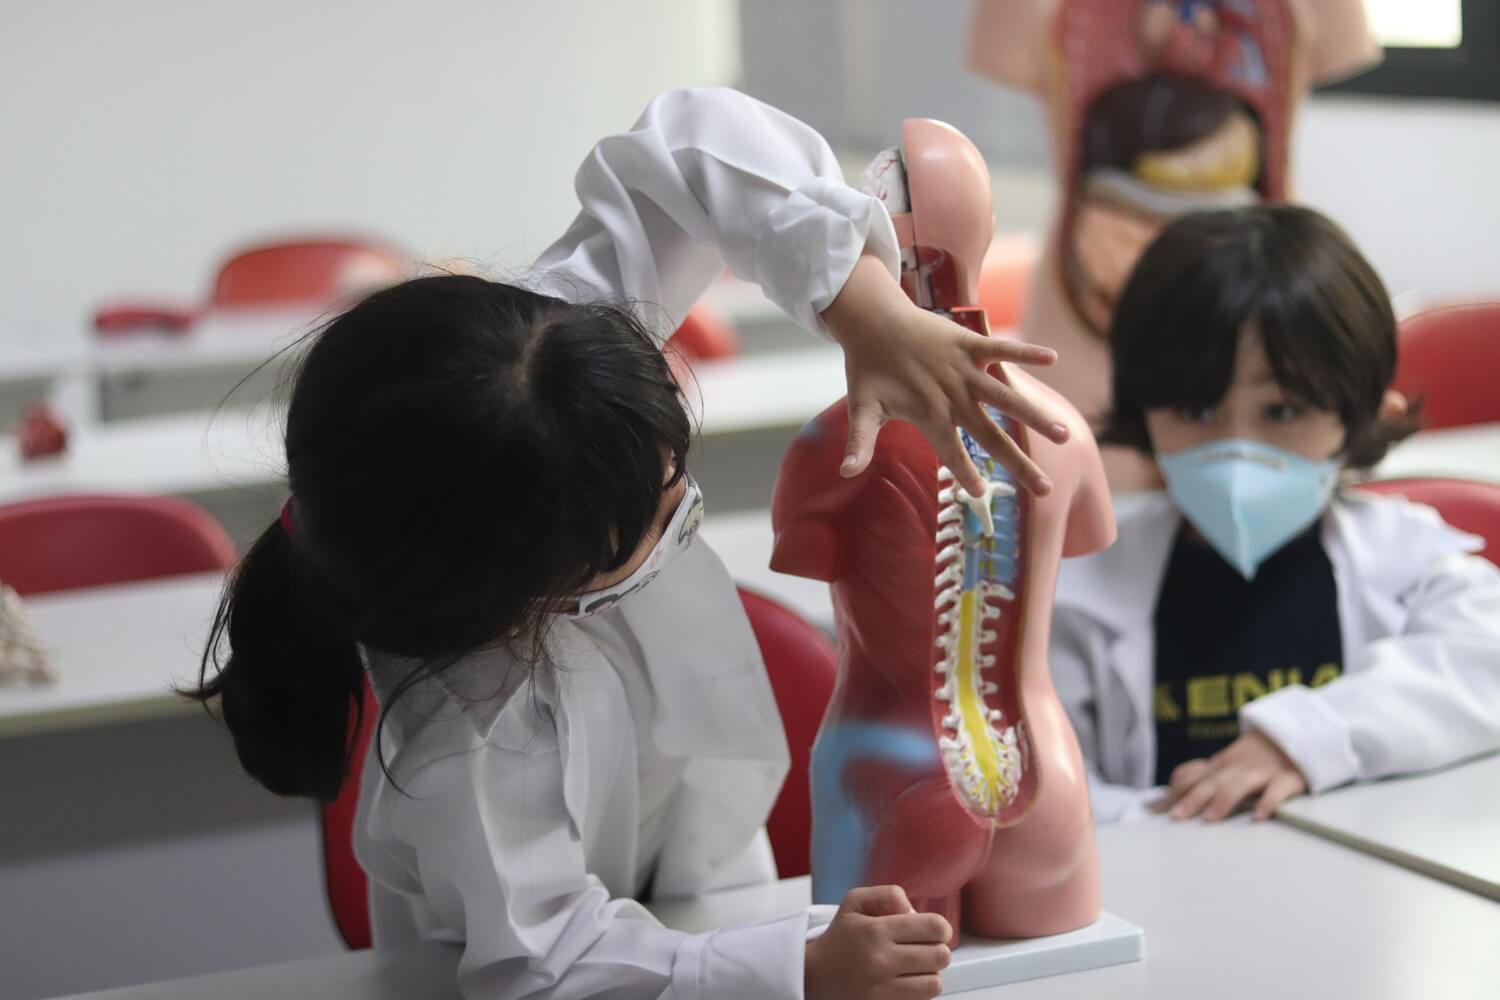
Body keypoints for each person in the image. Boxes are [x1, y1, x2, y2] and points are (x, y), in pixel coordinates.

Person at [187, 87, 1071, 999]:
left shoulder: (554, 366)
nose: (681, 504)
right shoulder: (469, 736)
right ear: (526, 598)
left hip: (697, 889)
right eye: (647, 519)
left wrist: (863, 305)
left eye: (672, 468)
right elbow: (547, 964)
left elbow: (695, 145)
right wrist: (791, 970)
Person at [1049, 204, 1500, 824]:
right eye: (1195, 411)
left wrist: (1303, 740)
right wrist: (1184, 816)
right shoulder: (1073, 589)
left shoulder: (1412, 561)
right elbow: (1045, 790)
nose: (1238, 448)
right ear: (1143, 415)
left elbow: (1485, 662)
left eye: (1282, 411)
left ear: (1362, 414)